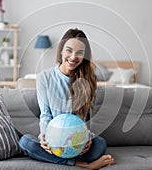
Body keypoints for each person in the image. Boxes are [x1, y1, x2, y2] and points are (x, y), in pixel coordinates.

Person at [19, 28, 114, 169]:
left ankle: (66, 160)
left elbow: (82, 118)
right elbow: (45, 115)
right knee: (25, 142)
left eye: (80, 53)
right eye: (69, 50)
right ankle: (83, 165)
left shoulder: (87, 80)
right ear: (61, 51)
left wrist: (86, 137)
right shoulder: (44, 77)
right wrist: (44, 138)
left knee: (100, 144)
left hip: (75, 141)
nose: (73, 56)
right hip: (54, 140)